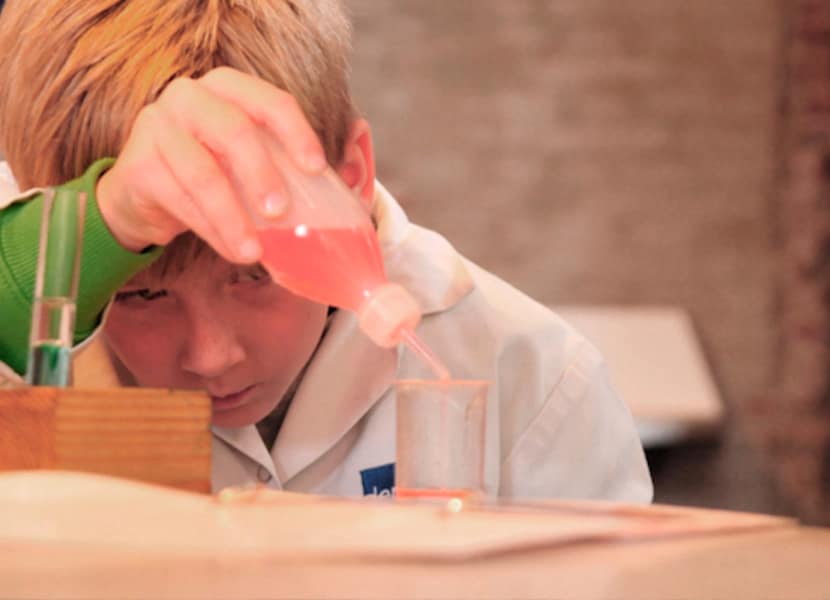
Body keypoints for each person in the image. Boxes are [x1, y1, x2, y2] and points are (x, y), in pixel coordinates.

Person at [0, 0, 652, 501]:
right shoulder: (35, 315)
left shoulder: (534, 381)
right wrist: (108, 219)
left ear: (352, 174)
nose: (212, 355)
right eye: (141, 293)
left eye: (255, 273)